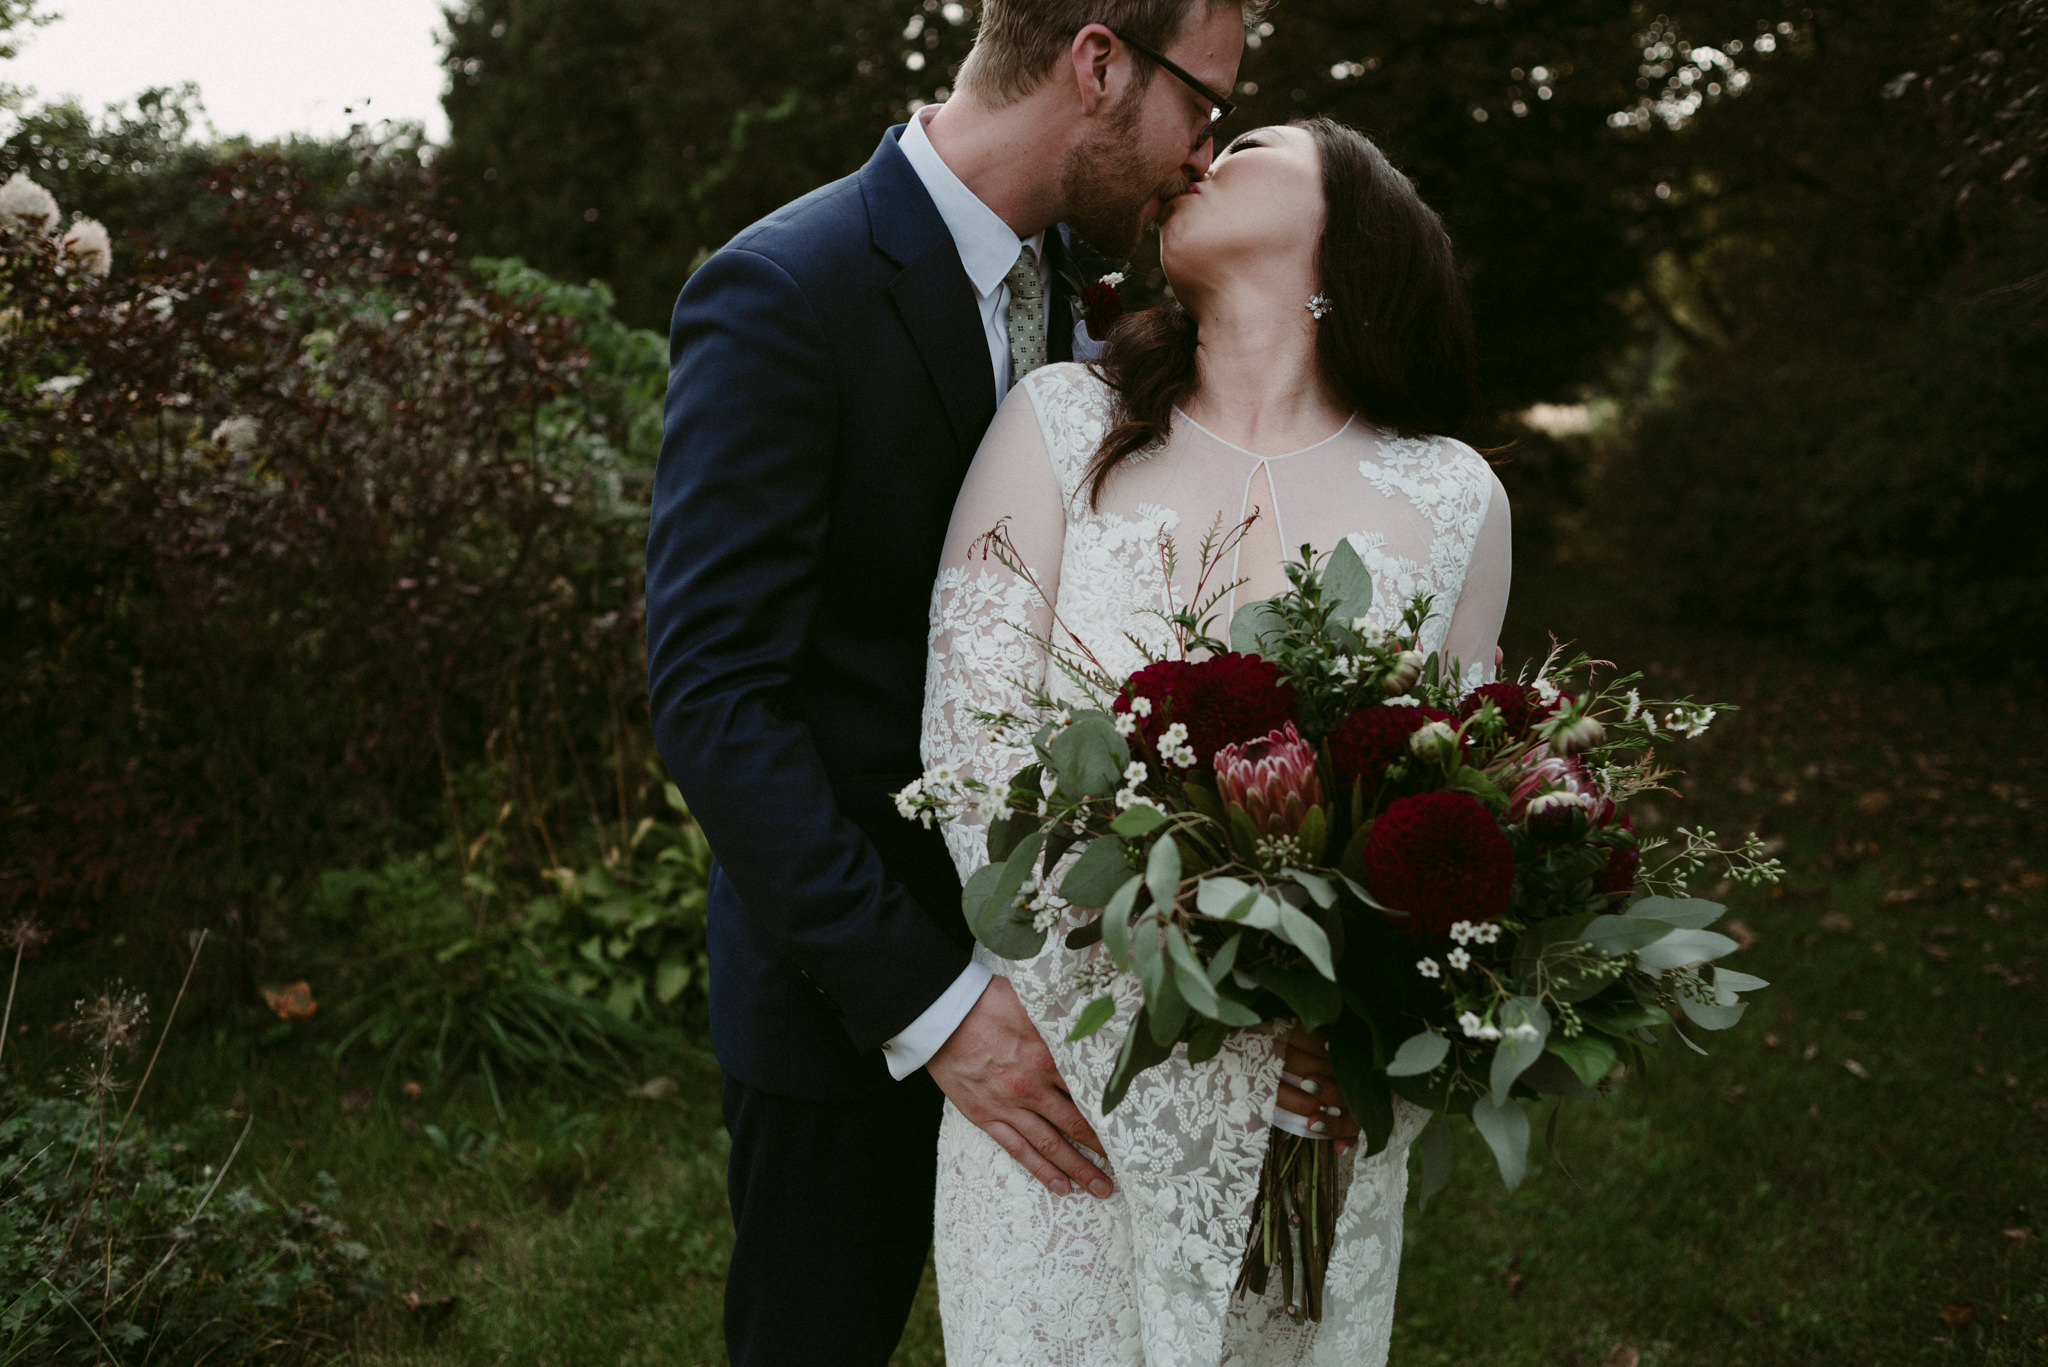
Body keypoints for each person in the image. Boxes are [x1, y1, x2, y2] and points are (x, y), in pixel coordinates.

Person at [646, 3, 1261, 1362]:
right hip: (844, 1008)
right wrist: (934, 1007)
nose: (1205, 154)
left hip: (1085, 994)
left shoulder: (1101, 308)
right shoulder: (782, 289)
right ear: (1097, 63)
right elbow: (709, 697)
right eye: (1202, 107)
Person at [919, 117, 1511, 1363]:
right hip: (1067, 1084)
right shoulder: (1057, 422)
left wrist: (1348, 1020)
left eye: (1248, 140)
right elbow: (971, 754)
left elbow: (1453, 804)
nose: (1201, 156)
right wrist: (1170, 1004)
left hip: (1311, 1121)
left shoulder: (1453, 494)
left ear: (1344, 234)